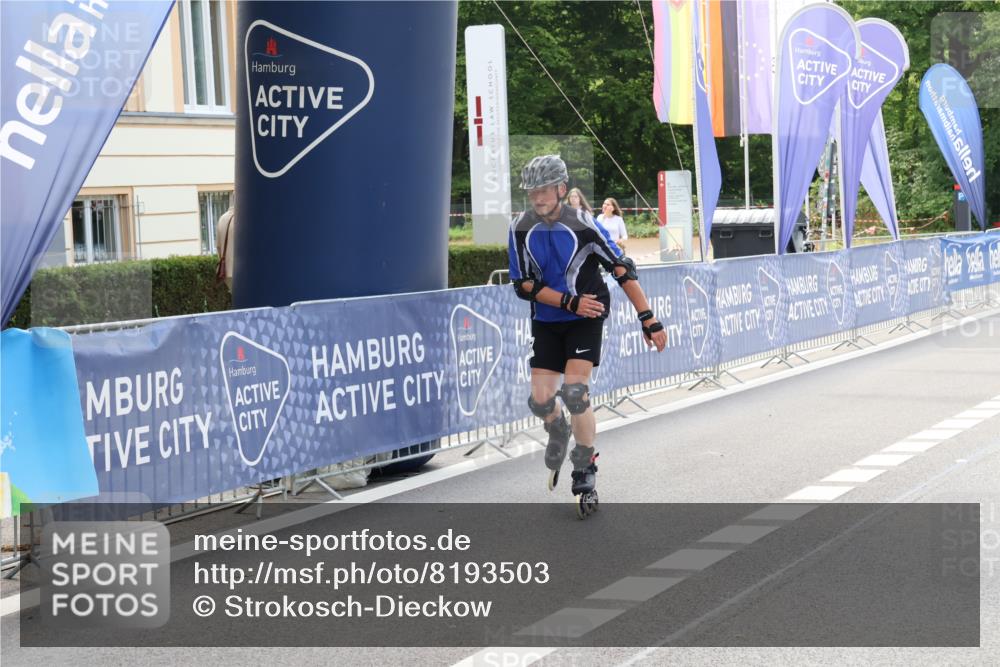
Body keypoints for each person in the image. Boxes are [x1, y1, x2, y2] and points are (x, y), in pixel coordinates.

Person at [508, 155, 668, 518]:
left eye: (544, 190)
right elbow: (523, 285)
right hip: (549, 317)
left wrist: (648, 318)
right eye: (532, 191)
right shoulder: (519, 227)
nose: (537, 197)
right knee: (540, 399)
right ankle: (558, 430)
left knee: (576, 393)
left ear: (562, 189)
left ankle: (584, 465)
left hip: (588, 315)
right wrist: (568, 301)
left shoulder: (584, 225)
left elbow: (623, 270)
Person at [215, 205, 235, 290]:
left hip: (226, 271)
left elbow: (218, 246)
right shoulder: (245, 218)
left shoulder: (222, 218)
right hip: (241, 271)